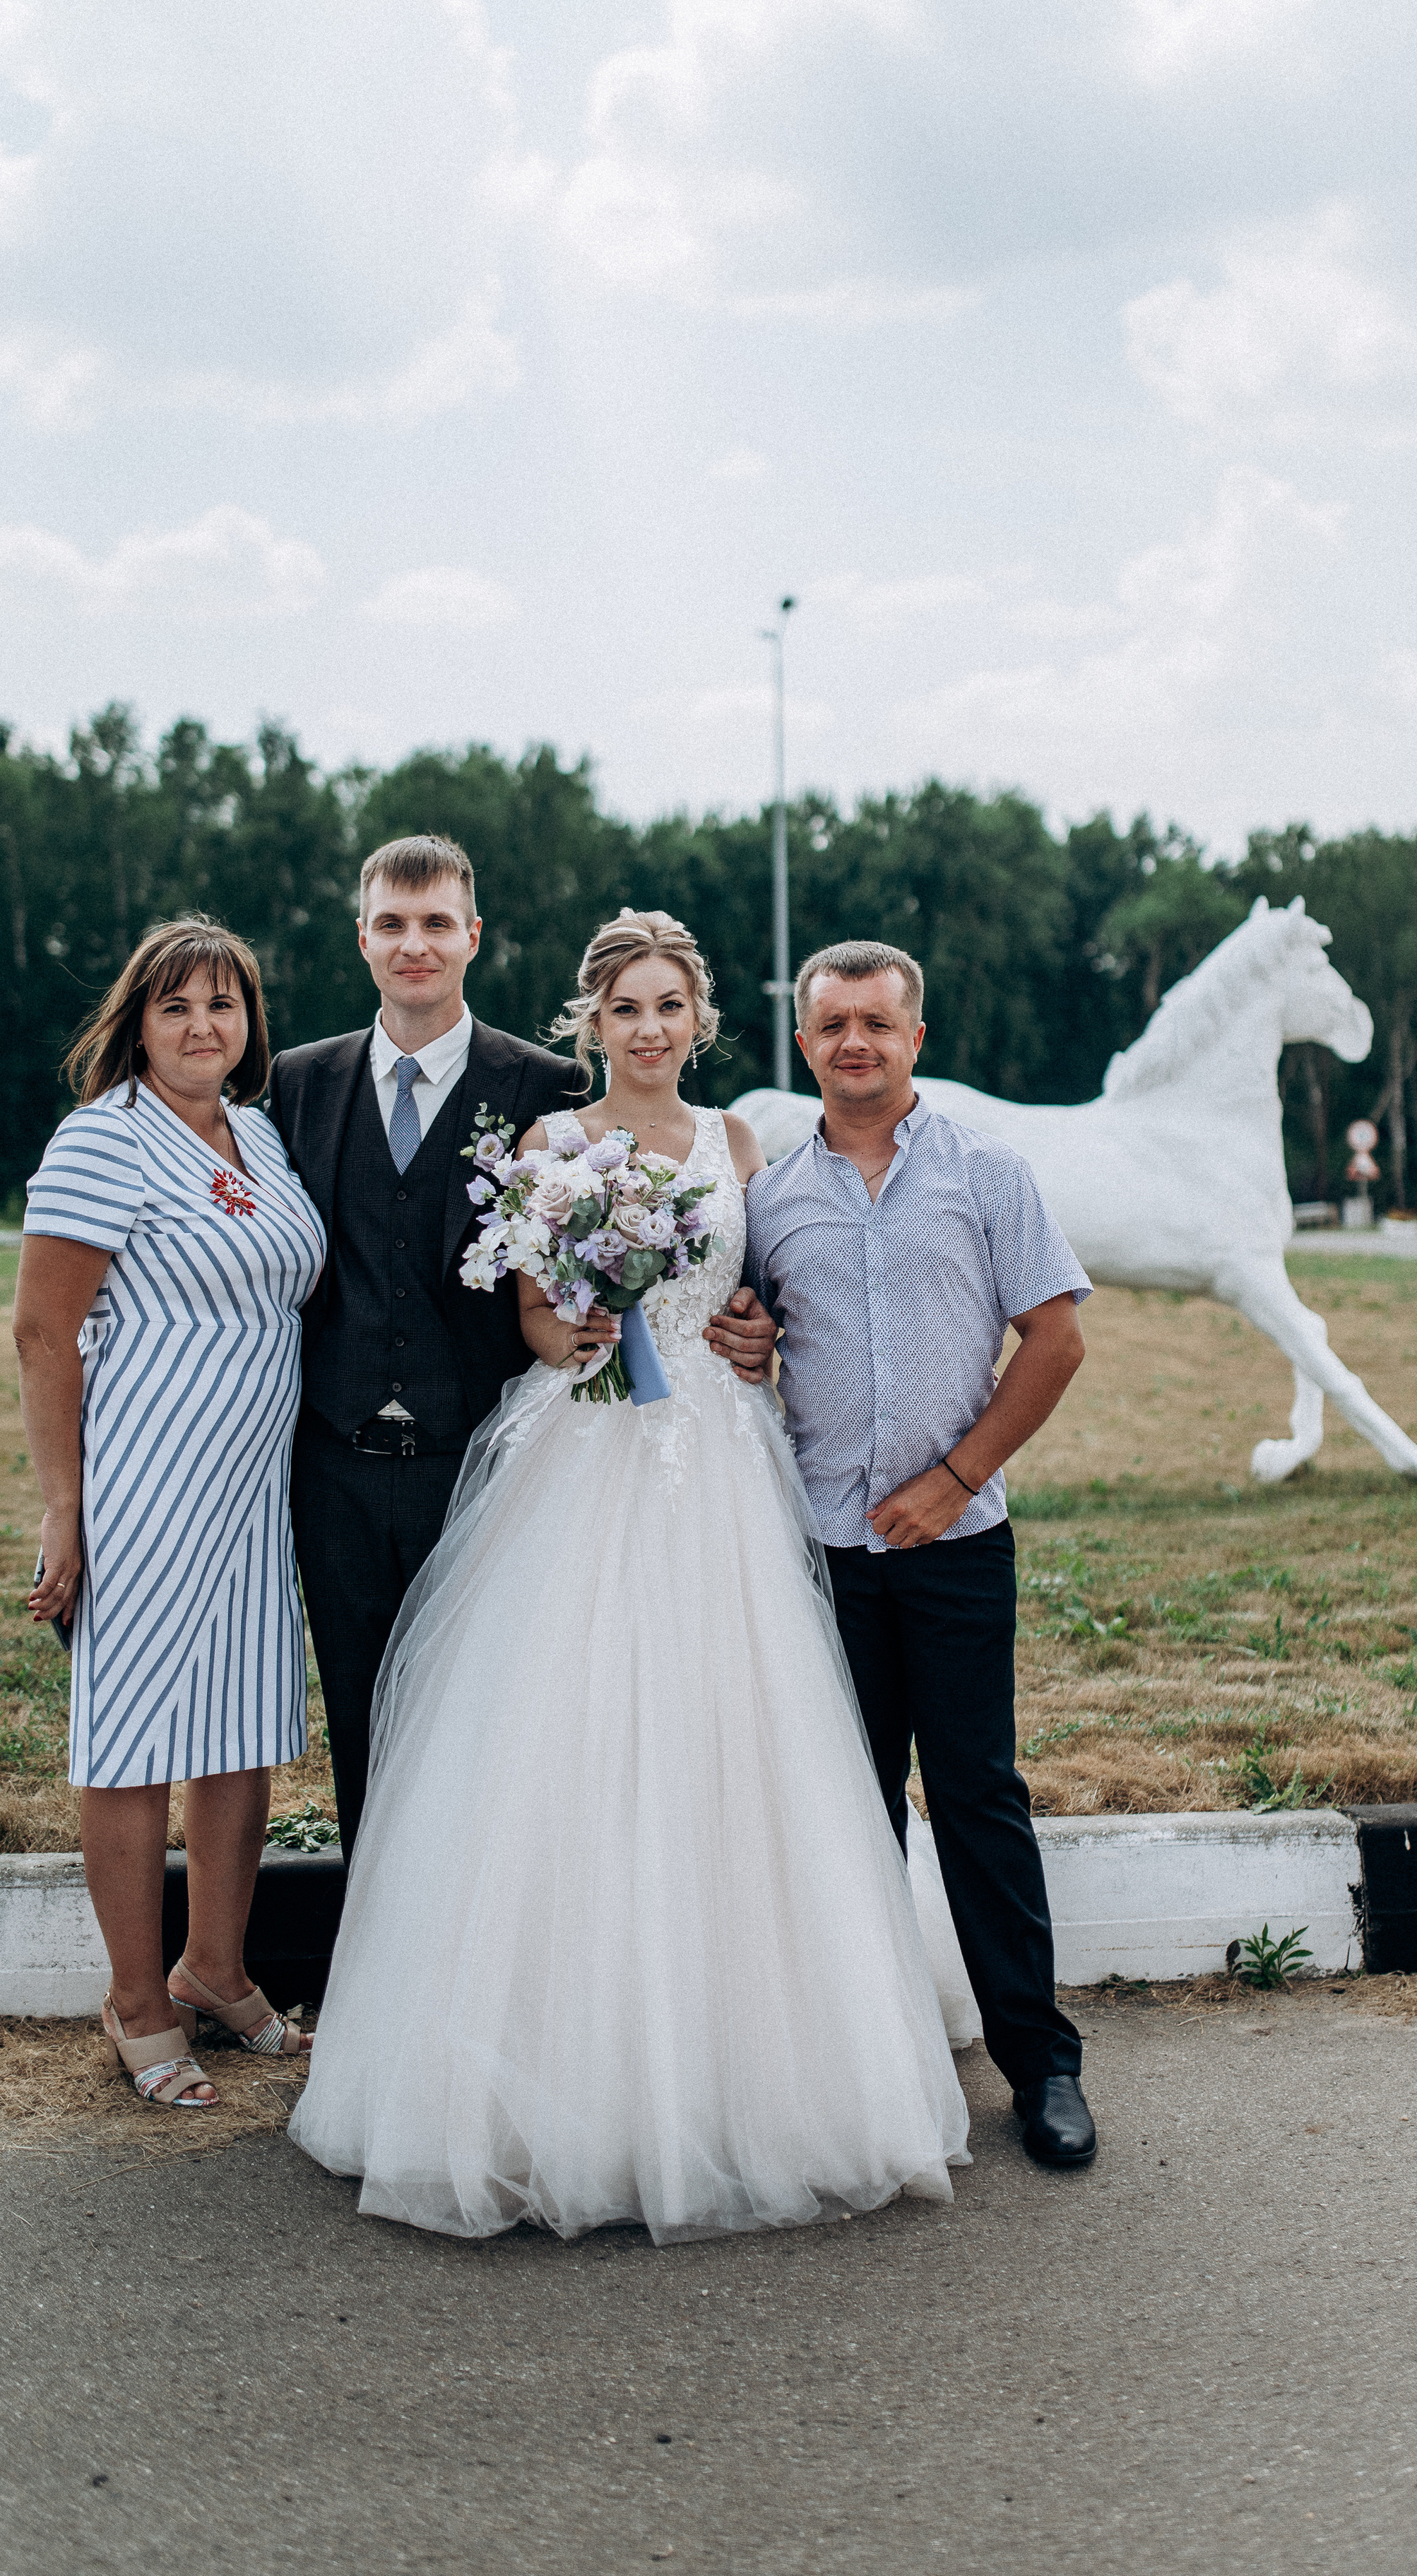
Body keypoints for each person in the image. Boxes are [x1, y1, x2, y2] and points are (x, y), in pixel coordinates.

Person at [290, 909, 969, 2242]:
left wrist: (755, 1331)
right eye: (625, 1010)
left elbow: (761, 1295)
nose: (648, 1030)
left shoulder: (736, 1144)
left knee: (733, 1734)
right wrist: (575, 1325)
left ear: (697, 1021)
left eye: (669, 1008)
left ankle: (749, 2067)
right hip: (588, 1450)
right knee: (565, 1735)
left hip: (716, 1454)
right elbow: (535, 1321)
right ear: (589, 1026)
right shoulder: (553, 1146)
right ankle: (560, 2073)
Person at [733, 939, 1099, 2169]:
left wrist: (953, 1482)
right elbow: (749, 1345)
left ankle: (1041, 2068)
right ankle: (875, 2066)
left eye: (876, 1025)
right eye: (832, 1025)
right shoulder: (771, 1201)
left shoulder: (990, 1178)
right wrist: (742, 1336)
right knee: (852, 1813)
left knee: (979, 1800)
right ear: (805, 1045)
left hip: (955, 1546)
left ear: (914, 1040)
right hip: (826, 1554)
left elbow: (1054, 1344)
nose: (855, 1044)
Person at [14, 919, 326, 2110]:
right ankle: (139, 2004)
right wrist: (67, 1507)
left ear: (249, 1023)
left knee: (242, 1733)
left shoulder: (256, 1134)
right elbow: (45, 1330)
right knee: (135, 1742)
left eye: (225, 1005)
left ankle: (215, 1968)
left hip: (253, 1485)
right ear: (137, 1023)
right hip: (145, 1481)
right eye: (178, 1006)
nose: (204, 1026)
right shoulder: (103, 1143)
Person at [267, 835, 586, 1857]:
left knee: (488, 1723)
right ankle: (374, 1975)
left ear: (472, 938)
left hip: (485, 1460)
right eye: (393, 925)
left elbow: (608, 1247)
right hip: (334, 1465)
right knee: (360, 1726)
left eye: (436, 923)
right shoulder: (292, 1086)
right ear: (362, 938)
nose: (416, 944)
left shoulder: (548, 1088)